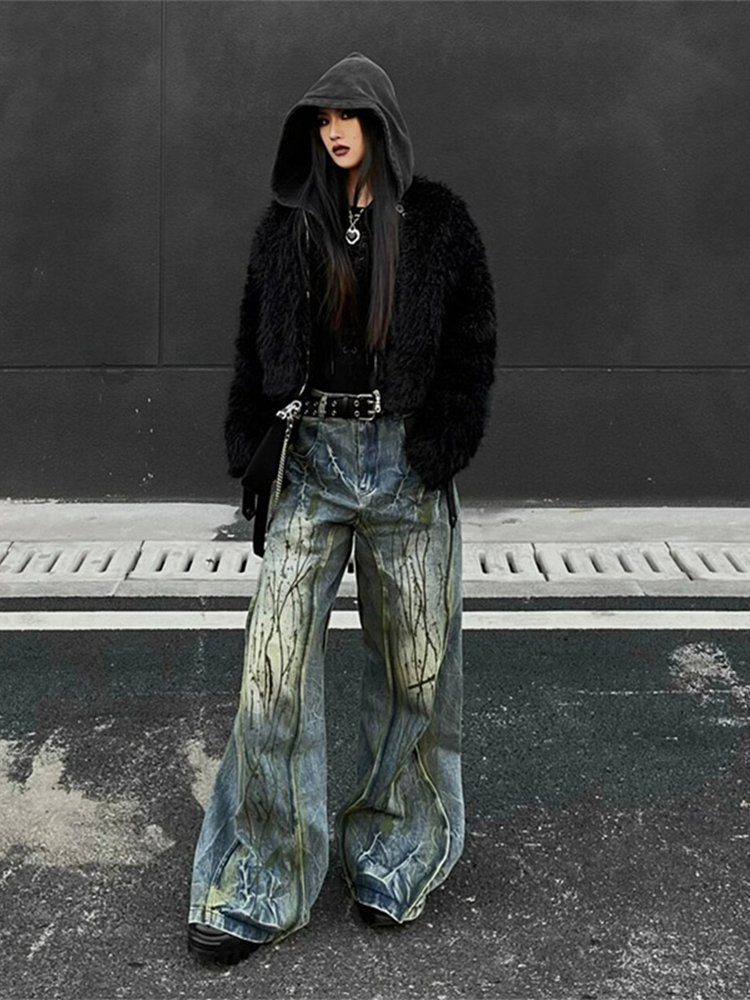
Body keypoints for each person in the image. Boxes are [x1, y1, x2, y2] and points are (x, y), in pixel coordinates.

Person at [187, 51, 497, 966]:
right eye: (322, 118)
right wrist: (252, 441)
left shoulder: (437, 223)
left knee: (416, 672)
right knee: (273, 671)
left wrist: (442, 445)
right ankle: (261, 877)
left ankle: (396, 854)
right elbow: (255, 348)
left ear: (381, 124)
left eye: (349, 115)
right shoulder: (289, 226)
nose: (334, 131)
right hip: (313, 463)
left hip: (405, 466)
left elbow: (473, 343)